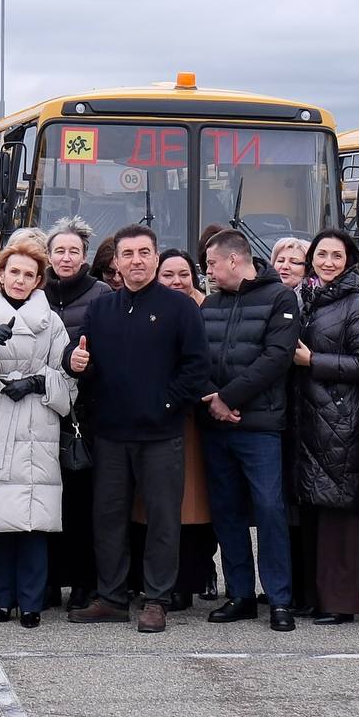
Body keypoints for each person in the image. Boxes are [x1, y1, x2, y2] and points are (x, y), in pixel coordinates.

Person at [65, 223, 209, 634]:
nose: (136, 261)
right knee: (108, 518)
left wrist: (166, 404)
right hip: (110, 434)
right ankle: (111, 598)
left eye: (144, 252)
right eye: (127, 255)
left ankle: (156, 600)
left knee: (163, 520)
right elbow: (80, 354)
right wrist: (74, 363)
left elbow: (197, 367)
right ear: (116, 262)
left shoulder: (180, 308)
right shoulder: (102, 308)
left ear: (156, 256)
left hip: (162, 434)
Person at [0, 237, 74, 628]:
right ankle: (3, 598)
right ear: (0, 275)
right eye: (14, 272)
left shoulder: (52, 322)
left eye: (29, 275)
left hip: (34, 418)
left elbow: (66, 375)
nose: (20, 280)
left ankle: (33, 602)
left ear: (39, 280)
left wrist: (37, 384)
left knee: (32, 518)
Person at [198, 230, 300, 632]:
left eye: (211, 264)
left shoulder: (280, 299)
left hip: (259, 427)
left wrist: (228, 398)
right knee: (226, 512)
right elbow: (197, 357)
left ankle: (279, 600)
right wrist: (212, 398)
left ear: (235, 261)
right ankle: (240, 594)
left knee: (270, 511)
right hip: (217, 425)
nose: (207, 271)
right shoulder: (210, 303)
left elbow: (277, 357)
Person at [291, 229, 359, 624]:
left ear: (349, 261)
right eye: (321, 255)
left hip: (340, 417)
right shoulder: (310, 296)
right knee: (313, 508)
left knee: (338, 512)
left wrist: (315, 361)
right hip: (309, 415)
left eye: (336, 256)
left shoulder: (356, 302)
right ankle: (313, 595)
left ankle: (341, 603)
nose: (327, 262)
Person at [135, 249, 216, 613]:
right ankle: (162, 583)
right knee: (162, 508)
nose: (176, 281)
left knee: (195, 509)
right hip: (156, 421)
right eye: (168, 275)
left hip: (198, 421)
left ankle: (196, 577)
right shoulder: (147, 309)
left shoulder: (209, 309)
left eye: (183, 274)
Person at [43, 216, 111, 611]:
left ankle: (84, 582)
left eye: (74, 251)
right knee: (48, 498)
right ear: (48, 255)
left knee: (84, 502)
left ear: (85, 256)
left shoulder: (101, 294)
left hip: (87, 412)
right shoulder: (37, 292)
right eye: (59, 251)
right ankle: (49, 580)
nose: (66, 258)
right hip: (44, 407)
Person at [270, 236, 313, 612]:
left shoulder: (311, 304)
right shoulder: (269, 299)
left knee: (300, 508)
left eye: (295, 262)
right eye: (280, 260)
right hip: (280, 414)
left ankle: (303, 589)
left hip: (309, 415)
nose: (285, 266)